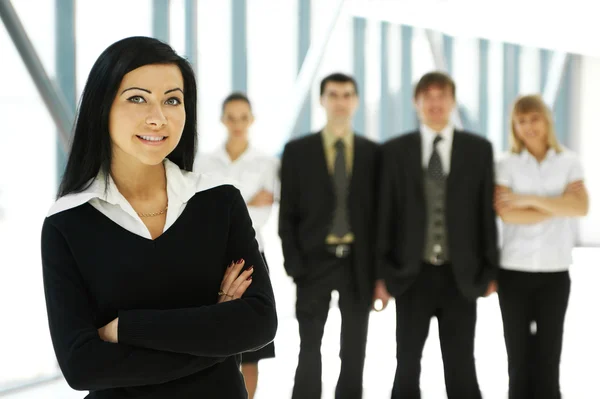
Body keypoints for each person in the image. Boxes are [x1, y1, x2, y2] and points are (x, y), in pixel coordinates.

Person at [40, 36, 277, 398]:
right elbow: (82, 367)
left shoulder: (219, 202)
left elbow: (259, 323)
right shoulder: (67, 224)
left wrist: (126, 328)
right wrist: (215, 333)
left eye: (172, 100)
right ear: (102, 107)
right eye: (137, 98)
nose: (158, 117)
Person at [377, 71, 498, 399]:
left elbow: (485, 215)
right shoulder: (394, 151)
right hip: (410, 276)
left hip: (461, 276)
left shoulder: (479, 150)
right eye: (427, 96)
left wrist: (491, 270)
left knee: (461, 366)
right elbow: (383, 216)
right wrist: (381, 274)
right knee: (406, 366)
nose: (434, 102)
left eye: (441, 95)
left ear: (452, 101)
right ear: (416, 103)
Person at [279, 72, 387, 399]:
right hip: (313, 262)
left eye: (346, 95)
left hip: (358, 264)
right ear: (322, 100)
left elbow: (382, 219)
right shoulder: (298, 151)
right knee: (309, 347)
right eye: (333, 95)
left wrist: (381, 275)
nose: (340, 102)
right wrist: (295, 266)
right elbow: (288, 215)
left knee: (354, 351)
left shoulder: (374, 153)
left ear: (355, 101)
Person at [494, 94, 589, 399]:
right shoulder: (505, 163)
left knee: (549, 359)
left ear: (546, 120)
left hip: (554, 274)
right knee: (518, 360)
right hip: (514, 273)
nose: (528, 126)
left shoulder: (569, 162)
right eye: (521, 121)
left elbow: (581, 208)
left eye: (533, 118)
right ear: (514, 126)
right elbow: (507, 213)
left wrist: (528, 199)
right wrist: (558, 204)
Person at [195, 92, 279, 399]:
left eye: (243, 117)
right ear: (222, 120)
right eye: (231, 117)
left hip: (253, 258)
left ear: (252, 120)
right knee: (212, 342)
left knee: (252, 348)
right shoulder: (202, 162)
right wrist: (247, 200)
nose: (237, 124)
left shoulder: (267, 162)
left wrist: (229, 206)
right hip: (210, 260)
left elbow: (263, 213)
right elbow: (201, 214)